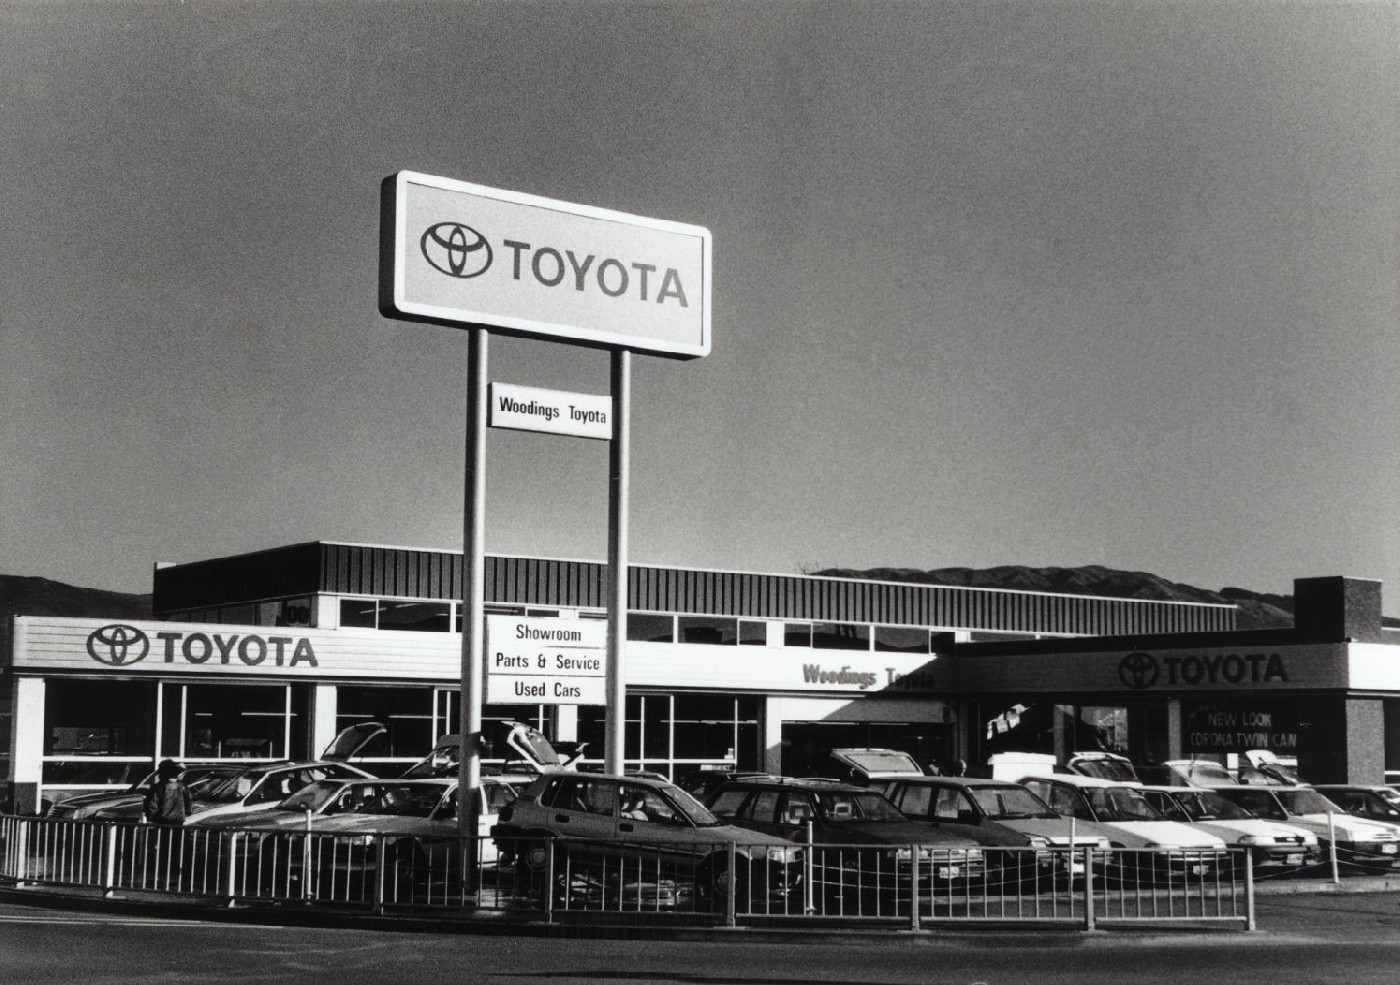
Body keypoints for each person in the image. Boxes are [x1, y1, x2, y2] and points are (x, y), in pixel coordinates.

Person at [143, 759, 193, 825]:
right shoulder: (183, 787)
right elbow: (189, 807)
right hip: (178, 823)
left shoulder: (158, 787)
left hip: (161, 823)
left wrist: (151, 818)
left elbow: (151, 806)